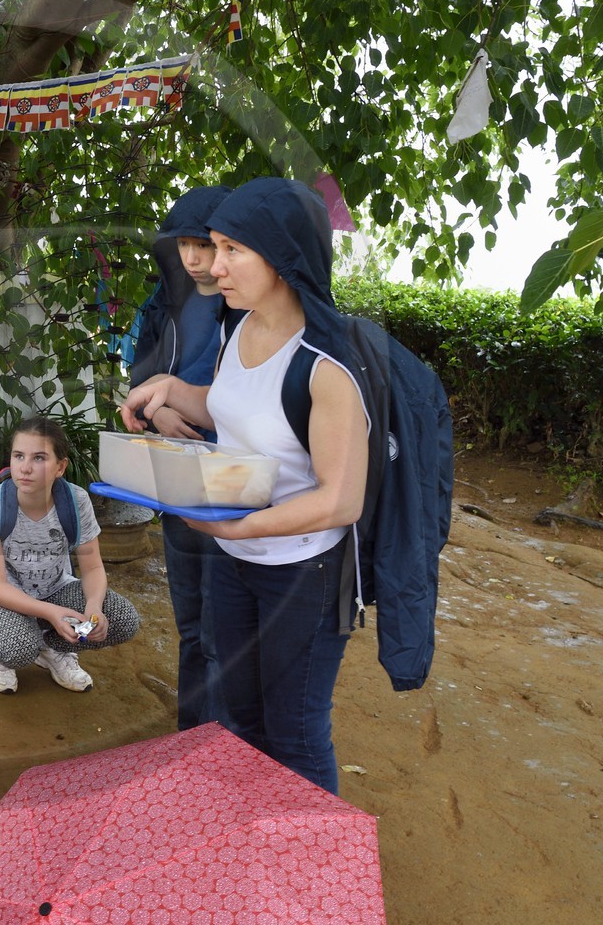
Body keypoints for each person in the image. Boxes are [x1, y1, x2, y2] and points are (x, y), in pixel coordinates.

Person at [119, 178, 369, 795]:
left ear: (282, 256)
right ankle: (251, 839)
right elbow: (229, 408)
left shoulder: (327, 363)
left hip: (301, 573)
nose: (214, 265)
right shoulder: (240, 329)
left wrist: (241, 526)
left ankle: (308, 854)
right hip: (235, 562)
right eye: (216, 246)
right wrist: (172, 391)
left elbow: (341, 499)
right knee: (241, 722)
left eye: (233, 250)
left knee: (295, 732)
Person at [126, 185, 233, 729]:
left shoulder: (251, 309)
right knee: (191, 624)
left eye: (204, 245)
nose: (192, 258)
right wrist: (159, 414)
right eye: (183, 245)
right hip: (176, 475)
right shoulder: (166, 301)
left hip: (234, 485)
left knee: (222, 630)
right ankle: (191, 740)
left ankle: (225, 748)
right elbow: (139, 379)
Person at [0, 417, 141, 694]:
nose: (25, 468)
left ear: (60, 467)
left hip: (55, 589)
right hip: (0, 597)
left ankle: (51, 647)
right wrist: (52, 613)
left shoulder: (76, 501)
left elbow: (93, 568)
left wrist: (94, 606)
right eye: (18, 456)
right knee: (17, 648)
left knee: (121, 619)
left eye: (39, 458)